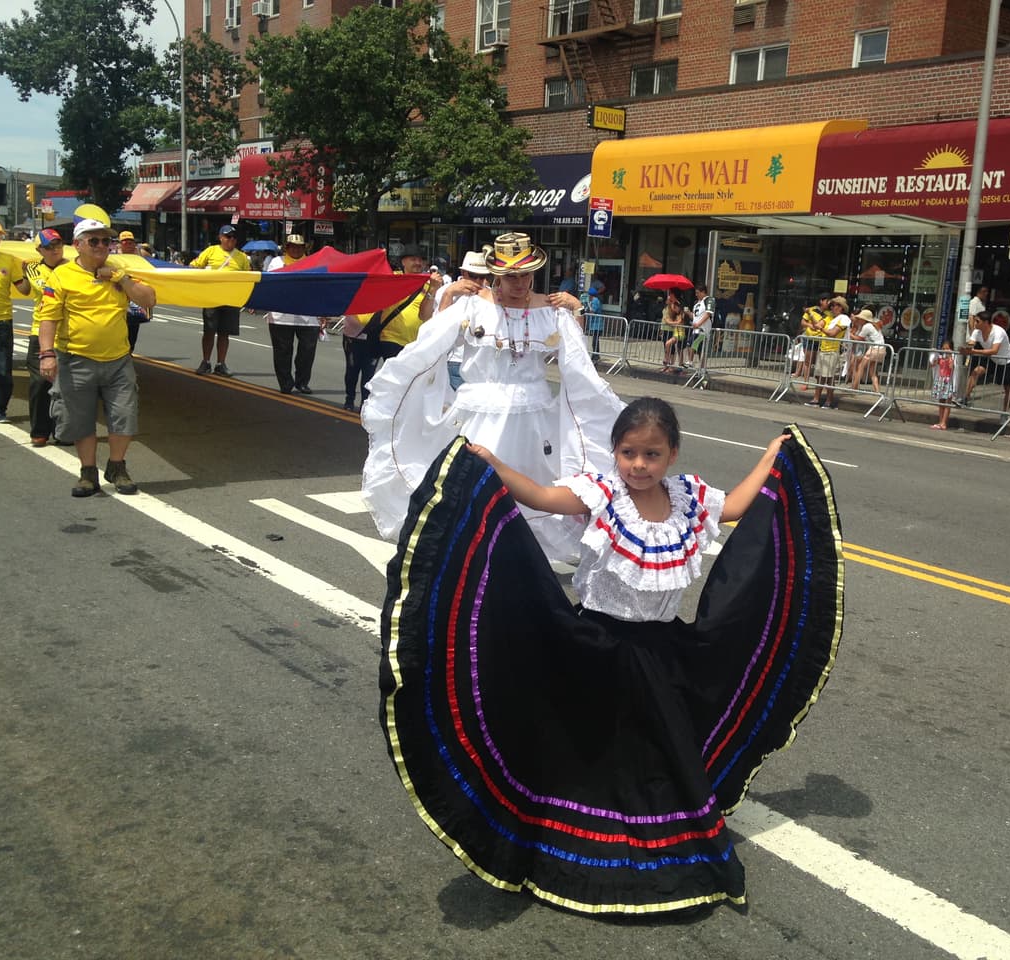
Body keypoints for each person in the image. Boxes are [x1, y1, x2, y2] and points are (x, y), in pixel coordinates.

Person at [379, 397, 844, 914]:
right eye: (629, 452)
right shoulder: (600, 493)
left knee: (655, 755)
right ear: (614, 450)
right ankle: (569, 845)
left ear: (672, 455)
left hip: (661, 652)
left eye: (651, 454)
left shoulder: (688, 497)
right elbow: (540, 496)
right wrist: (491, 464)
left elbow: (735, 506)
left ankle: (658, 847)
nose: (639, 464)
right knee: (587, 753)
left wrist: (773, 457)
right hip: (595, 647)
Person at [361, 231, 624, 560]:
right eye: (511, 276)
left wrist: (577, 311)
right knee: (473, 485)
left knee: (531, 488)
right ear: (497, 275)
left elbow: (578, 366)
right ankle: (470, 554)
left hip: (532, 419)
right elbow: (431, 343)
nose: (519, 283)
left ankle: (518, 557)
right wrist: (446, 300)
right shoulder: (472, 306)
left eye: (525, 275)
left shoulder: (552, 310)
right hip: (478, 414)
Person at [36, 215, 156, 496]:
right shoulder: (61, 276)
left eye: (106, 240)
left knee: (125, 416)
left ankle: (117, 467)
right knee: (80, 420)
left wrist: (121, 279)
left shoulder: (118, 269)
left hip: (118, 360)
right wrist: (46, 354)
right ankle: (88, 473)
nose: (102, 245)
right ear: (77, 245)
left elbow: (149, 299)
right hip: (76, 360)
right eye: (94, 240)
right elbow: (48, 319)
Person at [13, 228, 67, 445]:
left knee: (68, 386)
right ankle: (39, 431)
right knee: (40, 384)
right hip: (41, 332)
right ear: (39, 250)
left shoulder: (73, 267)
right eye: (49, 246)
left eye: (58, 244)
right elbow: (47, 289)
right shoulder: (34, 268)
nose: (55, 250)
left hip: (67, 333)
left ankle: (63, 431)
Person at [264, 234, 326, 394]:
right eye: (293, 246)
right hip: (281, 316)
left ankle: (302, 382)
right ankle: (285, 383)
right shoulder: (277, 262)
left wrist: (323, 312)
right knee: (282, 352)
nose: (296, 249)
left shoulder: (313, 263)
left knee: (307, 352)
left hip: (308, 315)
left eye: (299, 246)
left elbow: (321, 289)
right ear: (287, 247)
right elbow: (272, 284)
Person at [190, 224, 250, 376]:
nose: (231, 240)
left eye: (234, 237)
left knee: (224, 333)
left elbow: (248, 277)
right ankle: (206, 362)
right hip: (211, 298)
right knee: (209, 331)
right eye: (228, 237)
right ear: (220, 237)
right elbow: (194, 266)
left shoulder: (241, 257)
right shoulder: (211, 251)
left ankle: (220, 364)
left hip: (230, 300)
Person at [436, 247, 495, 388]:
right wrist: (449, 295)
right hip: (455, 360)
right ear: (463, 273)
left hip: (482, 361)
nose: (479, 281)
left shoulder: (490, 295)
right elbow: (437, 327)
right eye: (474, 275)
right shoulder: (446, 291)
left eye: (483, 277)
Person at [0, 217, 25, 423]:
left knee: (3, 368)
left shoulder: (9, 260)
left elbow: (23, 287)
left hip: (2, 321)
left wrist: (34, 275)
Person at [959, 311, 1010, 411]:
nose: (975, 323)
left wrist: (973, 351)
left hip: (1006, 360)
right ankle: (965, 398)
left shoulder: (998, 332)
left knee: (1008, 387)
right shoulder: (976, 331)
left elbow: (994, 350)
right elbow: (971, 344)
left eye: (977, 321)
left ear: (986, 322)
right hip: (991, 359)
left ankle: (1005, 412)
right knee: (976, 371)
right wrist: (966, 349)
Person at [807, 296, 849, 408]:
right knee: (820, 376)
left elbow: (832, 333)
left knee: (830, 378)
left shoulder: (844, 319)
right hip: (823, 349)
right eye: (833, 305)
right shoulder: (829, 318)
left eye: (837, 305)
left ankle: (829, 401)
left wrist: (821, 328)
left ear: (842, 308)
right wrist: (811, 315)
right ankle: (816, 399)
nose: (834, 307)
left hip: (833, 350)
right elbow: (817, 326)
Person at [849, 306, 886, 395]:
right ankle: (877, 391)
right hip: (882, 349)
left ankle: (854, 388)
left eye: (861, 318)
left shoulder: (867, 326)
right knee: (872, 371)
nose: (859, 319)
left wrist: (850, 334)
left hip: (874, 349)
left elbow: (859, 338)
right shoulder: (875, 325)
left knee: (861, 368)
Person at [929, 338, 956, 430]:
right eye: (943, 349)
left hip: (948, 381)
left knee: (947, 402)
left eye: (947, 349)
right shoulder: (941, 359)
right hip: (940, 380)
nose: (945, 351)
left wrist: (950, 357)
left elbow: (952, 367)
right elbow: (932, 364)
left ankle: (944, 422)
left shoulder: (952, 358)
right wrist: (934, 355)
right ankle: (940, 422)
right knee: (941, 402)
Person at [660, 292, 690, 371]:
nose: (674, 308)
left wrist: (674, 303)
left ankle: (675, 364)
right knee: (674, 347)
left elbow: (679, 321)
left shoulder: (681, 314)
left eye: (675, 307)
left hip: (680, 334)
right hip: (676, 334)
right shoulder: (674, 313)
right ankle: (668, 362)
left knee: (679, 349)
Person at [684, 283, 712, 368]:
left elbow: (708, 314)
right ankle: (697, 366)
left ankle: (693, 363)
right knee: (693, 345)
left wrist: (698, 324)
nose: (696, 295)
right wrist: (688, 313)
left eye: (698, 293)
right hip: (696, 328)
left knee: (693, 343)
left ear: (703, 292)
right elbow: (695, 316)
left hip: (703, 329)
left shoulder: (709, 300)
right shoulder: (697, 303)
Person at [585, 284, 605, 362]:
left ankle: (596, 355)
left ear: (590, 295)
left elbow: (593, 311)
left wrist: (589, 307)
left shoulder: (595, 301)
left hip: (597, 324)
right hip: (593, 324)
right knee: (594, 340)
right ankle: (595, 355)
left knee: (595, 341)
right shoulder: (591, 301)